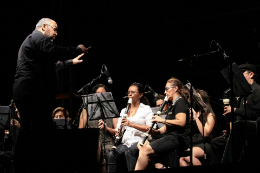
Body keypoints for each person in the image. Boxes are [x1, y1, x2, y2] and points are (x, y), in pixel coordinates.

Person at [12, 17, 90, 172]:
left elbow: (55, 64)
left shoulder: (35, 45)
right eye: (54, 29)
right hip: (31, 92)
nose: (56, 33)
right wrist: (77, 49)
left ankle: (27, 165)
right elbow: (54, 52)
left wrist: (70, 62)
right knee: (37, 132)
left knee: (33, 131)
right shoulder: (37, 37)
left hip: (29, 91)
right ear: (44, 27)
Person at [135, 77, 190, 171]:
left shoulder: (180, 102)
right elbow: (165, 128)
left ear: (175, 88)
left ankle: (158, 166)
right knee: (141, 143)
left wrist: (162, 120)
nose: (165, 92)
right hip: (171, 136)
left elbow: (181, 122)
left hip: (179, 138)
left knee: (144, 150)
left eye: (167, 89)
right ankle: (159, 166)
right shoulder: (172, 104)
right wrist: (155, 132)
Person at [107, 82, 153, 172]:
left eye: (133, 92)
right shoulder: (124, 110)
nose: (130, 94)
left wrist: (131, 124)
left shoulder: (146, 109)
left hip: (140, 141)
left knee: (129, 152)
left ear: (140, 95)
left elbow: (149, 128)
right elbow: (118, 131)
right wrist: (117, 132)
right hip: (126, 142)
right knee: (111, 154)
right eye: (128, 92)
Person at [221, 63, 260, 164]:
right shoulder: (243, 94)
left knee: (239, 125)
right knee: (216, 143)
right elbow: (239, 115)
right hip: (241, 128)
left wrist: (234, 110)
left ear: (251, 74)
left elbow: (256, 114)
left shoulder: (258, 91)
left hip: (254, 126)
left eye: (242, 74)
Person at [78, 84, 116, 172]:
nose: (100, 96)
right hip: (92, 142)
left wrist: (107, 128)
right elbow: (80, 130)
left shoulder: (112, 109)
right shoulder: (86, 110)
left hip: (109, 142)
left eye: (103, 93)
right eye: (97, 93)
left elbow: (117, 132)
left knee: (105, 152)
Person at [179, 89, 216, 166]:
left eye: (198, 98)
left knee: (189, 156)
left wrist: (196, 118)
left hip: (205, 144)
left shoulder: (209, 114)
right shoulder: (192, 112)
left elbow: (205, 133)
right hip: (192, 144)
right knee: (181, 159)